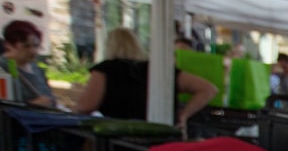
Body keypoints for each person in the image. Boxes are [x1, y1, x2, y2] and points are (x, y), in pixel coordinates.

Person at [71, 27, 219, 130]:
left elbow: (86, 106)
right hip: (162, 137)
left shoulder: (106, 69)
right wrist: (184, 115)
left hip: (120, 141)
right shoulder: (158, 71)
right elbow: (208, 89)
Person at [3, 20, 57, 108]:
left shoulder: (37, 70)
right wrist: (33, 105)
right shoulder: (4, 68)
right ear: (9, 45)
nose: (33, 51)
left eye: (36, 46)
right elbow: (5, 108)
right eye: (26, 46)